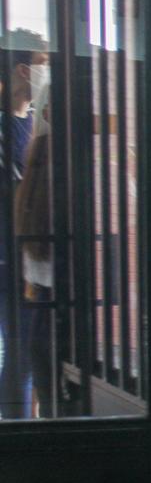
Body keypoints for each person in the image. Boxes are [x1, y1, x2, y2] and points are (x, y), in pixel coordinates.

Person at [0, 29, 47, 419]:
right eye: (43, 64)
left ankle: (22, 427)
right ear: (22, 70)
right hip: (8, 256)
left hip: (28, 255)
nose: (49, 72)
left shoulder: (35, 124)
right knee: (20, 350)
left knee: (26, 351)